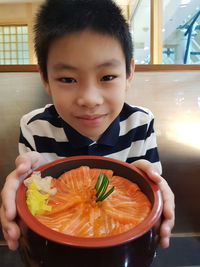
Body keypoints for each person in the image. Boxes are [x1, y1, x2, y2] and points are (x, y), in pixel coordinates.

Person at [0, 0, 174, 253]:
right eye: (68, 79)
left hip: (121, 245)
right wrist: (24, 185)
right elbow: (34, 189)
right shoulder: (35, 127)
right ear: (45, 79)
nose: (89, 99)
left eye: (107, 77)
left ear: (129, 73)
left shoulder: (140, 123)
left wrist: (154, 184)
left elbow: (150, 184)